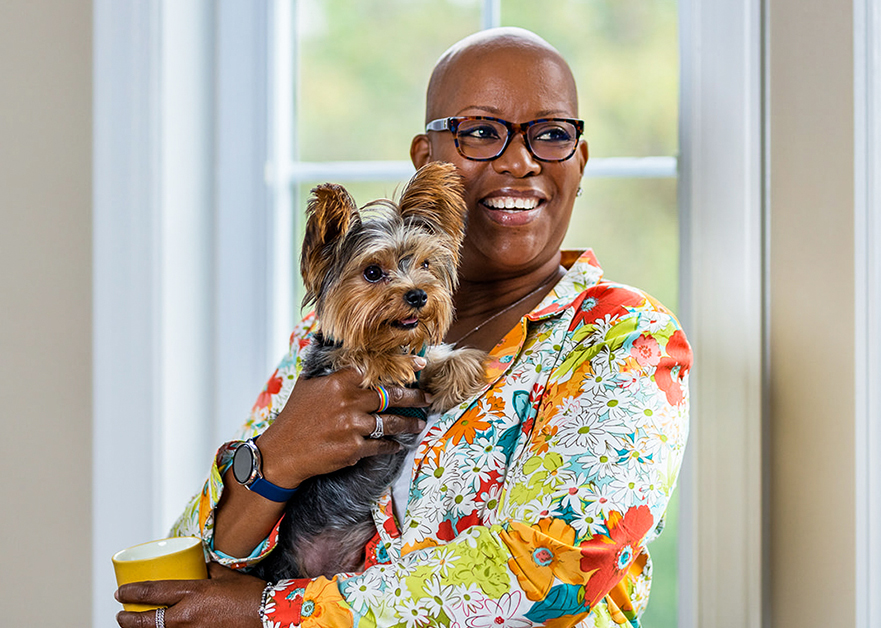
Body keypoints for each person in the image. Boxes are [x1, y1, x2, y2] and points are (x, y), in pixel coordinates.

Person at [116, 27, 690, 627]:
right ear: (426, 160)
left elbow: (553, 571)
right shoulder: (333, 328)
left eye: (551, 135)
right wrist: (277, 456)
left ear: (579, 161)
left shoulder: (623, 337)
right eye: (481, 132)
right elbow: (189, 572)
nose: (520, 161)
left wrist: (271, 613)